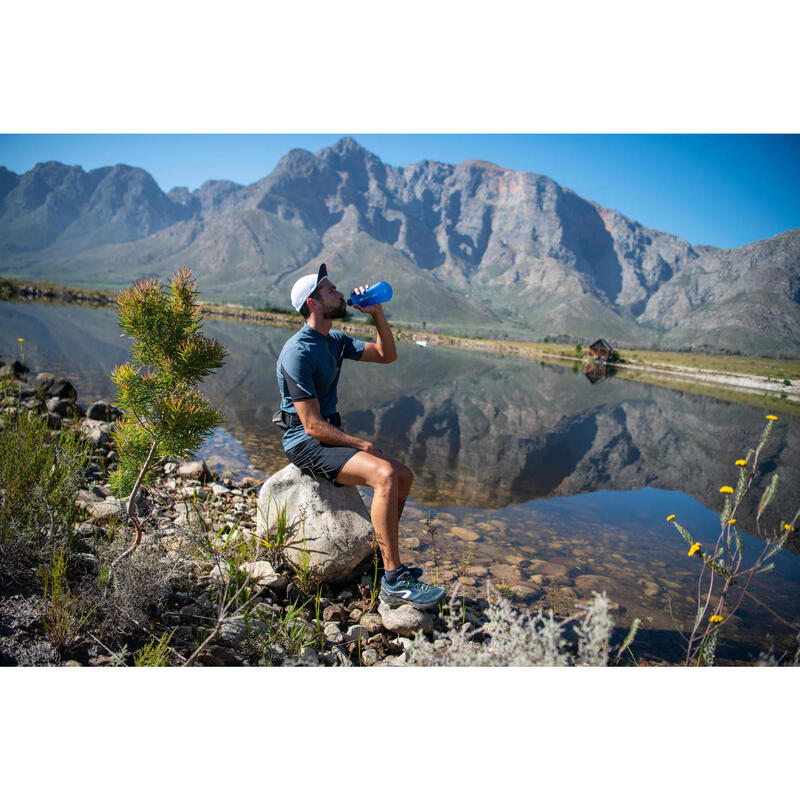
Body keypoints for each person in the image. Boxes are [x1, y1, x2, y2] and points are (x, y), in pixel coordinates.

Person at [275, 263, 445, 610]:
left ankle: (385, 563)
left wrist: (377, 313)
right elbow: (310, 426)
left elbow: (387, 355)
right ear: (314, 303)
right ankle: (395, 582)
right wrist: (360, 444)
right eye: (331, 290)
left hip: (327, 434)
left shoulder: (334, 340)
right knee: (384, 474)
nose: (341, 293)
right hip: (305, 442)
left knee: (404, 476)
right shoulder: (298, 351)